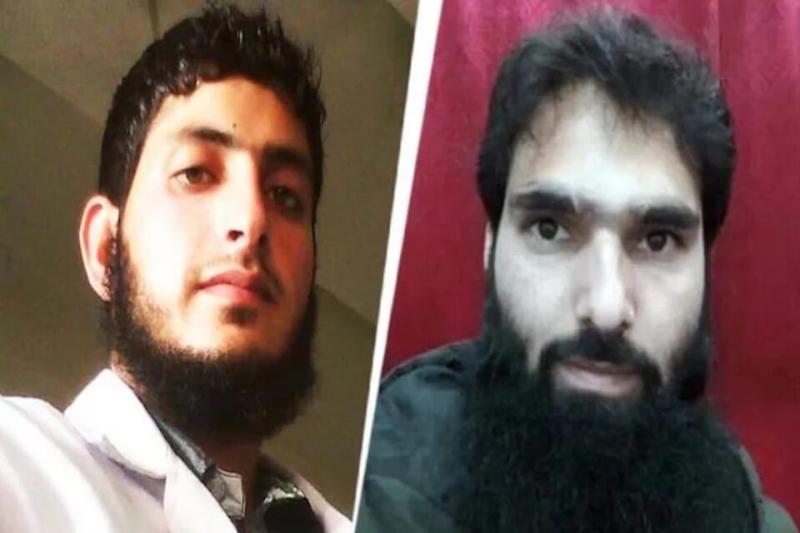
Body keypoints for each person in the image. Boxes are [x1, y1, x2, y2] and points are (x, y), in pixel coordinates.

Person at [356, 9, 796, 533]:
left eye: (658, 239)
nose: (606, 307)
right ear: (490, 245)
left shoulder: (747, 516)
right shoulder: (371, 490)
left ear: (705, 264)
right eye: (550, 229)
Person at [0, 4, 350, 532]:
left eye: (284, 194)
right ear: (105, 248)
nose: (252, 219)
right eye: (195, 173)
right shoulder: (16, 468)